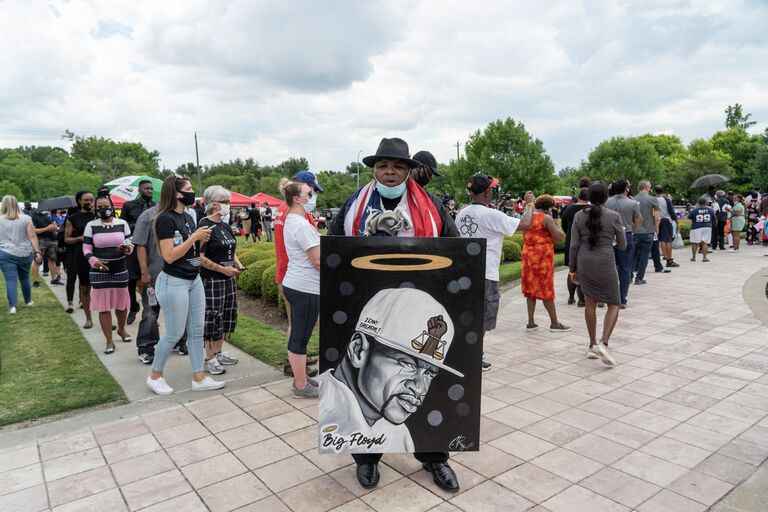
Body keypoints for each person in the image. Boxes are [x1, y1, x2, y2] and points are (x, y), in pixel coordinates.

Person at [328, 137, 460, 493]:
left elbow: (457, 246)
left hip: (420, 299)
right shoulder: (354, 204)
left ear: (409, 170)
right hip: (368, 302)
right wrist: (365, 239)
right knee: (368, 385)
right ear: (374, 169)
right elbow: (334, 248)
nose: (390, 172)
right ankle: (367, 458)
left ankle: (435, 458)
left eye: (398, 166)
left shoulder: (431, 205)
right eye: (383, 165)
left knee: (420, 379)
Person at [319, 289, 463, 452]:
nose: (420, 388)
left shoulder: (399, 435)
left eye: (429, 373)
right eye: (407, 364)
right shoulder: (322, 416)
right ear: (358, 350)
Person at [146, 175, 223, 395]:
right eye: (188, 189)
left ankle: (199, 377)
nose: (192, 192)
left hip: (193, 279)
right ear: (176, 193)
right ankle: (155, 376)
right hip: (174, 282)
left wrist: (200, 239)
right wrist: (193, 238)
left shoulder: (188, 217)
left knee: (197, 330)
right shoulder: (165, 219)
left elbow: (190, 251)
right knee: (174, 332)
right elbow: (169, 256)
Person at [456, 173, 527, 371]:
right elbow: (526, 225)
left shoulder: (462, 213)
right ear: (487, 191)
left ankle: (467, 353)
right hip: (485, 273)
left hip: (465, 273)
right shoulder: (491, 215)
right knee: (482, 318)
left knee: (469, 316)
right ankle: (474, 356)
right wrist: (529, 205)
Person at [568, 183, 626, 366]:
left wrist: (572, 268)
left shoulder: (578, 215)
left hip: (584, 261)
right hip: (605, 261)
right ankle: (604, 342)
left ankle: (592, 344)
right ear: (607, 197)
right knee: (614, 302)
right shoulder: (614, 216)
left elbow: (574, 245)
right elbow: (623, 245)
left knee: (590, 302)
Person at [274, 170, 324, 378]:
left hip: (288, 272)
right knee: (302, 325)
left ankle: (296, 361)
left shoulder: (282, 209)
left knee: (298, 324)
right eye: (311, 191)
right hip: (300, 277)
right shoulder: (297, 215)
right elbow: (315, 256)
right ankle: (296, 367)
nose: (313, 195)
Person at [199, 186, 244, 375]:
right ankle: (209, 357)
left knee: (226, 316)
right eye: (225, 202)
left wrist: (238, 264)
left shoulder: (224, 225)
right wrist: (222, 270)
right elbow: (199, 257)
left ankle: (218, 352)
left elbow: (231, 250)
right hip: (212, 280)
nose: (228, 206)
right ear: (214, 204)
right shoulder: (204, 225)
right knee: (212, 318)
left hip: (228, 278)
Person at [82, 195, 134, 353]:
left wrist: (127, 248)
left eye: (106, 205)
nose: (103, 209)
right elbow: (86, 248)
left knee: (121, 304)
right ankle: (109, 341)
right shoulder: (91, 225)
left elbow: (130, 244)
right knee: (104, 307)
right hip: (99, 270)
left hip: (120, 268)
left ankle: (122, 329)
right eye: (100, 207)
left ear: (112, 207)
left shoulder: (122, 223)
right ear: (95, 209)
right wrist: (94, 261)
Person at [517, 194, 569, 331]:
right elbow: (558, 238)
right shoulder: (546, 218)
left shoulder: (528, 218)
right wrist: (556, 226)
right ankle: (554, 323)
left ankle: (531, 322)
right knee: (546, 288)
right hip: (542, 257)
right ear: (549, 208)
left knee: (530, 289)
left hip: (528, 256)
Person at [120, 179, 156, 325]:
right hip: (133, 247)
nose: (149, 191)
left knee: (149, 280)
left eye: (151, 189)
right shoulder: (129, 206)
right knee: (131, 279)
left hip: (150, 248)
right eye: (146, 188)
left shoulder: (156, 207)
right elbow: (122, 224)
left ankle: (151, 309)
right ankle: (133, 307)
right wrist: (139, 224)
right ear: (139, 190)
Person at [0, 195, 43, 314]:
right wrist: (37, 251)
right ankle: (28, 301)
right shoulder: (26, 218)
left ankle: (13, 306)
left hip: (5, 252)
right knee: (24, 278)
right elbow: (32, 236)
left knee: (10, 280)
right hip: (24, 252)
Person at [605, 179, 642, 309]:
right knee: (625, 268)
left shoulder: (607, 201)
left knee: (609, 267)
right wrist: (628, 224)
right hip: (626, 235)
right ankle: (622, 298)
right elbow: (638, 221)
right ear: (626, 188)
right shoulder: (633, 203)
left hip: (608, 236)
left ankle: (606, 296)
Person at [64, 191, 97, 322]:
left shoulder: (98, 215)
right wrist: (80, 238)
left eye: (91, 199)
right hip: (81, 254)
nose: (89, 202)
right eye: (86, 200)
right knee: (85, 287)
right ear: (79, 201)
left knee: (101, 288)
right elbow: (67, 239)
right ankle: (88, 318)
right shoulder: (73, 218)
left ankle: (103, 317)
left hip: (99, 253)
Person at [561, 187, 590, 306]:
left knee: (572, 270)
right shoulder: (592, 210)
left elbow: (563, 225)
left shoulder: (569, 209)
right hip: (586, 243)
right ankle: (582, 299)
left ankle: (571, 297)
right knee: (584, 272)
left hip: (571, 241)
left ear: (579, 197)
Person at [631, 180, 659, 285]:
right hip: (648, 231)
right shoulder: (652, 199)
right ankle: (639, 278)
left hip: (635, 232)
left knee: (632, 255)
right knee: (644, 255)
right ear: (647, 188)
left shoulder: (633, 199)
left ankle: (629, 276)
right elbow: (657, 217)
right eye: (650, 186)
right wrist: (656, 228)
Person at [30, 207, 63, 286]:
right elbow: (33, 231)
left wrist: (54, 226)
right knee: (37, 260)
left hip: (51, 240)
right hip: (40, 240)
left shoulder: (48, 214)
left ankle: (54, 279)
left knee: (52, 259)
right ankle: (35, 281)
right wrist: (47, 228)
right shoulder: (34, 216)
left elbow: (54, 224)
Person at [655, 186, 679, 268]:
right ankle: (669, 259)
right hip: (666, 220)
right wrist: (677, 222)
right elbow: (671, 211)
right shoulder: (666, 200)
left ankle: (664, 255)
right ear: (662, 191)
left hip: (657, 220)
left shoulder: (653, 199)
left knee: (661, 239)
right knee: (668, 240)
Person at [688, 198, 715, 262]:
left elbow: (689, 217)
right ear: (705, 203)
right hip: (707, 226)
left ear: (698, 203)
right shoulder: (710, 210)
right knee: (705, 242)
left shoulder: (694, 210)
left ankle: (694, 257)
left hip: (696, 227)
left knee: (694, 242)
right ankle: (704, 257)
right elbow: (713, 217)